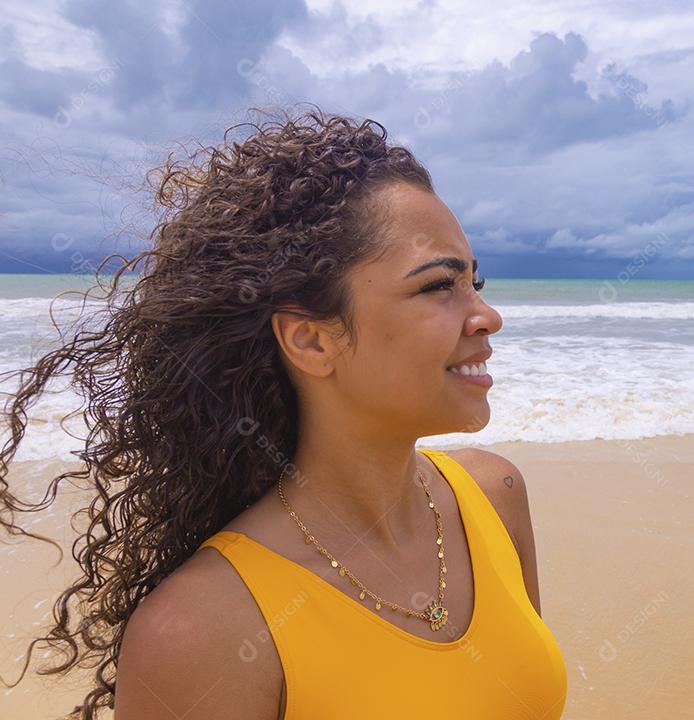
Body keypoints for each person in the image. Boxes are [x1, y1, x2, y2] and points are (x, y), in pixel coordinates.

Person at [0, 109, 567, 719]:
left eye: (475, 282)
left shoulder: (493, 494)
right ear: (310, 341)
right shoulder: (204, 631)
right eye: (438, 286)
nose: (486, 316)